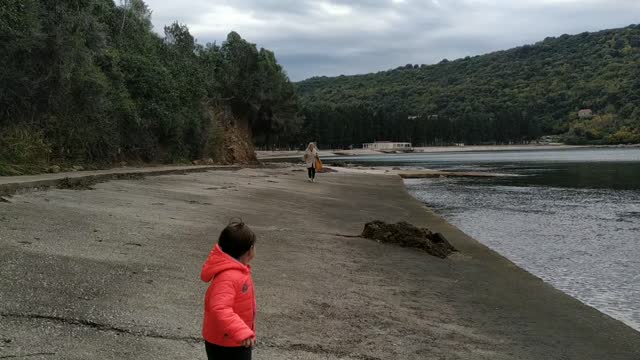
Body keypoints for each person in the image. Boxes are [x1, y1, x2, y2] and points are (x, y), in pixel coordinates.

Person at [201, 220, 257, 360]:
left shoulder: (238, 271)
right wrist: (241, 331)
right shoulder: (228, 277)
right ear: (249, 251)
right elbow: (219, 308)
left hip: (235, 338)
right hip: (226, 342)